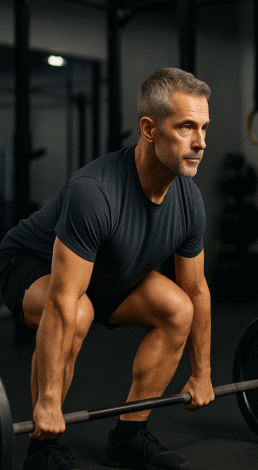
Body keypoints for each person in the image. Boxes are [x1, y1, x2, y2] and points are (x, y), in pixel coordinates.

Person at [0, 67, 215, 470]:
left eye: (204, 128)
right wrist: (48, 403)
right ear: (149, 129)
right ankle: (43, 449)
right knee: (79, 311)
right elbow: (63, 299)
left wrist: (201, 372)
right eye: (186, 126)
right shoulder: (95, 192)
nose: (200, 142)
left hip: (106, 271)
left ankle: (128, 437)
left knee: (179, 309)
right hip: (29, 263)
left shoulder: (188, 201)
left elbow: (197, 289)